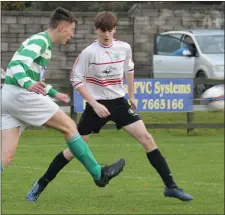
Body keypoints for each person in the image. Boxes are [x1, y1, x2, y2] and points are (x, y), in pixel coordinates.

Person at [27, 11, 193, 202]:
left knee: (147, 138)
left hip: (119, 103)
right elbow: (75, 78)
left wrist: (131, 96)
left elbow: (129, 69)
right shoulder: (89, 52)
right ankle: (40, 185)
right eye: (102, 30)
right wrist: (94, 103)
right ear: (96, 30)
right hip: (96, 106)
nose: (106, 35)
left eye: (110, 30)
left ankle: (171, 187)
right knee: (74, 150)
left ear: (115, 29)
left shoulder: (124, 48)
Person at [1, 7, 126, 196]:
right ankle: (99, 173)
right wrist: (27, 84)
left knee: (6, 155)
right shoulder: (41, 41)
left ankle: (99, 173)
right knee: (69, 126)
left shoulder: (43, 45)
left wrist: (53, 93)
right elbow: (16, 65)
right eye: (72, 30)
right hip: (20, 95)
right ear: (61, 27)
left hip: (9, 97)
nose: (72, 35)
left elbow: (34, 79)